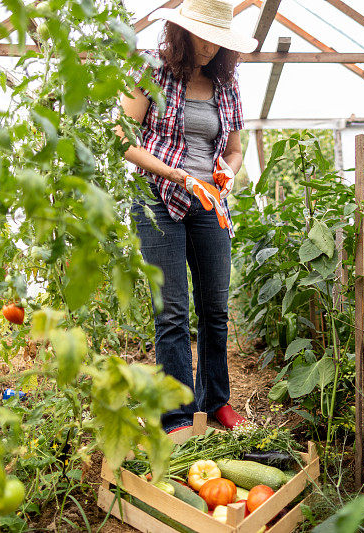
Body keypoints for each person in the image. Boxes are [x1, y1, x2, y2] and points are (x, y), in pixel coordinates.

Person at [116, 0, 257, 432]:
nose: (211, 48)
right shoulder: (151, 71)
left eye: (219, 42)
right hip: (158, 199)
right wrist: (172, 173)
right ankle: (176, 412)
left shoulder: (226, 84)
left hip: (208, 201)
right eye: (203, 37)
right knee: (173, 311)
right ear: (181, 33)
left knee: (215, 307)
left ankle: (216, 401)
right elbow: (122, 139)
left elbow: (234, 150)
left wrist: (225, 174)